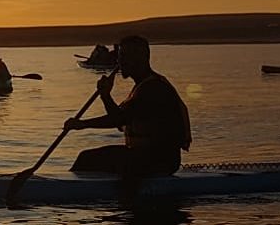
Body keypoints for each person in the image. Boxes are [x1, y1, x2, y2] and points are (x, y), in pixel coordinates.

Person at [63, 35, 192, 177]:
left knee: (87, 158)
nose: (120, 62)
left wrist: (81, 124)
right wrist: (105, 96)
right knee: (90, 157)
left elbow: (118, 119)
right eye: (119, 56)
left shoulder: (153, 88)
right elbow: (118, 118)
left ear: (141, 58)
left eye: (125, 57)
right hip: (146, 156)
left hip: (160, 161)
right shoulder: (141, 86)